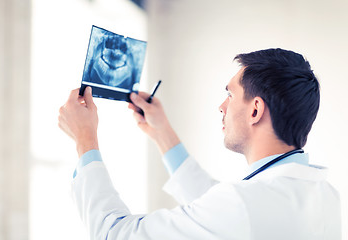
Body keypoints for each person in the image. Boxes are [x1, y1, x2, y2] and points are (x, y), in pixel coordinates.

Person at [58, 48, 341, 239]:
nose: (221, 106)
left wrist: (85, 141)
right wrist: (162, 133)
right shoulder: (325, 195)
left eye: (229, 95)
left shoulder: (242, 204)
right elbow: (219, 207)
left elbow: (116, 233)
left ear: (255, 110)